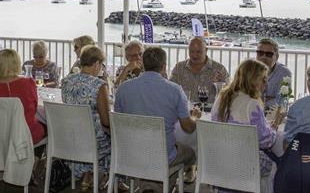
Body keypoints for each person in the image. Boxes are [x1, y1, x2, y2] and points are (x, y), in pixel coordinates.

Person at [114, 47, 199, 182]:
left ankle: (153, 186)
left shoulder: (123, 89)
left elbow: (118, 121)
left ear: (143, 63)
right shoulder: (175, 90)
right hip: (161, 156)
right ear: (164, 66)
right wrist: (194, 116)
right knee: (191, 153)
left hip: (130, 153)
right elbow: (188, 128)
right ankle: (162, 185)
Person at [211, 59, 285, 189]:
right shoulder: (252, 103)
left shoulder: (221, 97)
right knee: (275, 163)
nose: (266, 84)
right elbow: (265, 141)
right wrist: (274, 126)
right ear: (253, 80)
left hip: (219, 159)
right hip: (242, 163)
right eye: (263, 79)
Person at [60, 45, 111, 190]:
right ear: (96, 63)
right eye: (101, 64)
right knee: (117, 138)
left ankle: (87, 175)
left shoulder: (66, 81)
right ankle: (115, 179)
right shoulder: (98, 85)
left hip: (71, 138)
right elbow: (106, 121)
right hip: (92, 142)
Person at [0, 49, 46, 144]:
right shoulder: (28, 83)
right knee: (47, 125)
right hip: (25, 134)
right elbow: (34, 109)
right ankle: (36, 156)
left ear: (0, 65)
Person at [170, 37, 229, 103]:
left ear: (206, 50)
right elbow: (170, 90)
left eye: (198, 52)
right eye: (191, 51)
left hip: (209, 111)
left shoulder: (219, 69)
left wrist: (221, 84)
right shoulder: (179, 68)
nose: (194, 55)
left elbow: (229, 94)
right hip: (184, 110)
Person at [256, 38, 293, 109]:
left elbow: (282, 101)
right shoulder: (248, 70)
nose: (263, 57)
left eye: (269, 54)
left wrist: (258, 100)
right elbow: (241, 96)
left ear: (277, 57)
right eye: (260, 53)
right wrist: (270, 98)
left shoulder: (284, 73)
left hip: (272, 114)